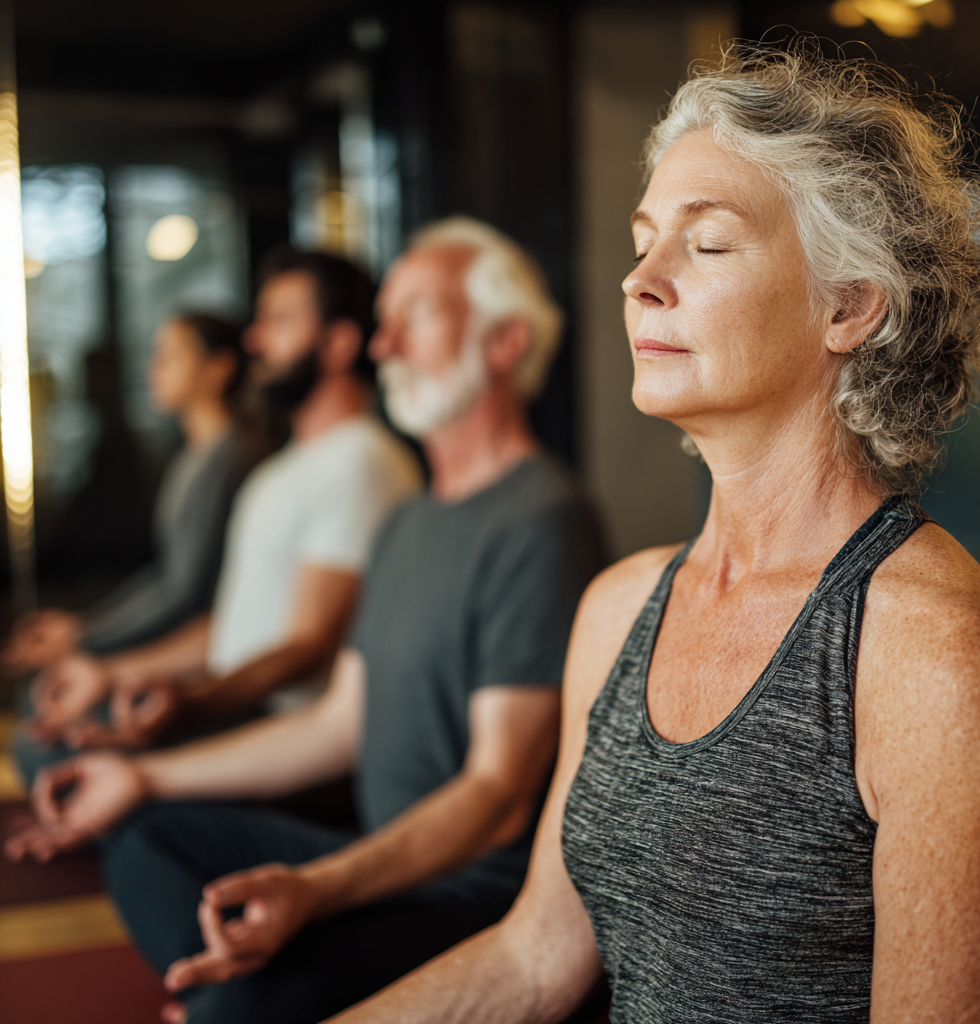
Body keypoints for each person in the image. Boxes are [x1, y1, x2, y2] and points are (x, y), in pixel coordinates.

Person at [274, 44, 980, 1024]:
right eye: (641, 240)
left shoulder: (929, 646)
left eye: (705, 246)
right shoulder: (619, 605)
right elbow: (536, 957)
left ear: (847, 306)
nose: (640, 281)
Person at [5, 217, 607, 1024]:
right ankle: (237, 986)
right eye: (383, 319)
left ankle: (236, 994)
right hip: (376, 851)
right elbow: (338, 721)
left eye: (416, 315)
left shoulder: (541, 516)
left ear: (504, 343)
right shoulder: (411, 519)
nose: (384, 344)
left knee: (236, 1005)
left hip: (470, 894)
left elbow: (497, 795)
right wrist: (144, 774)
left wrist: (313, 891)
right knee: (146, 833)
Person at [13, 249, 421, 773]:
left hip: (283, 723)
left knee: (49, 747)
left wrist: (191, 703)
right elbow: (227, 626)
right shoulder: (286, 467)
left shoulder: (360, 459)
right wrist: (111, 671)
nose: (255, 339)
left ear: (339, 343)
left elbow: (307, 644)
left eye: (279, 320)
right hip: (239, 700)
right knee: (48, 722)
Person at [6, 314, 254, 751]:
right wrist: (84, 627)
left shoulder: (230, 459)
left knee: (40, 719)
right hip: (185, 641)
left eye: (170, 356)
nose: (153, 368)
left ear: (219, 368)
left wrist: (86, 637)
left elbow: (185, 592)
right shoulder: (192, 457)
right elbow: (166, 575)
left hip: (210, 658)